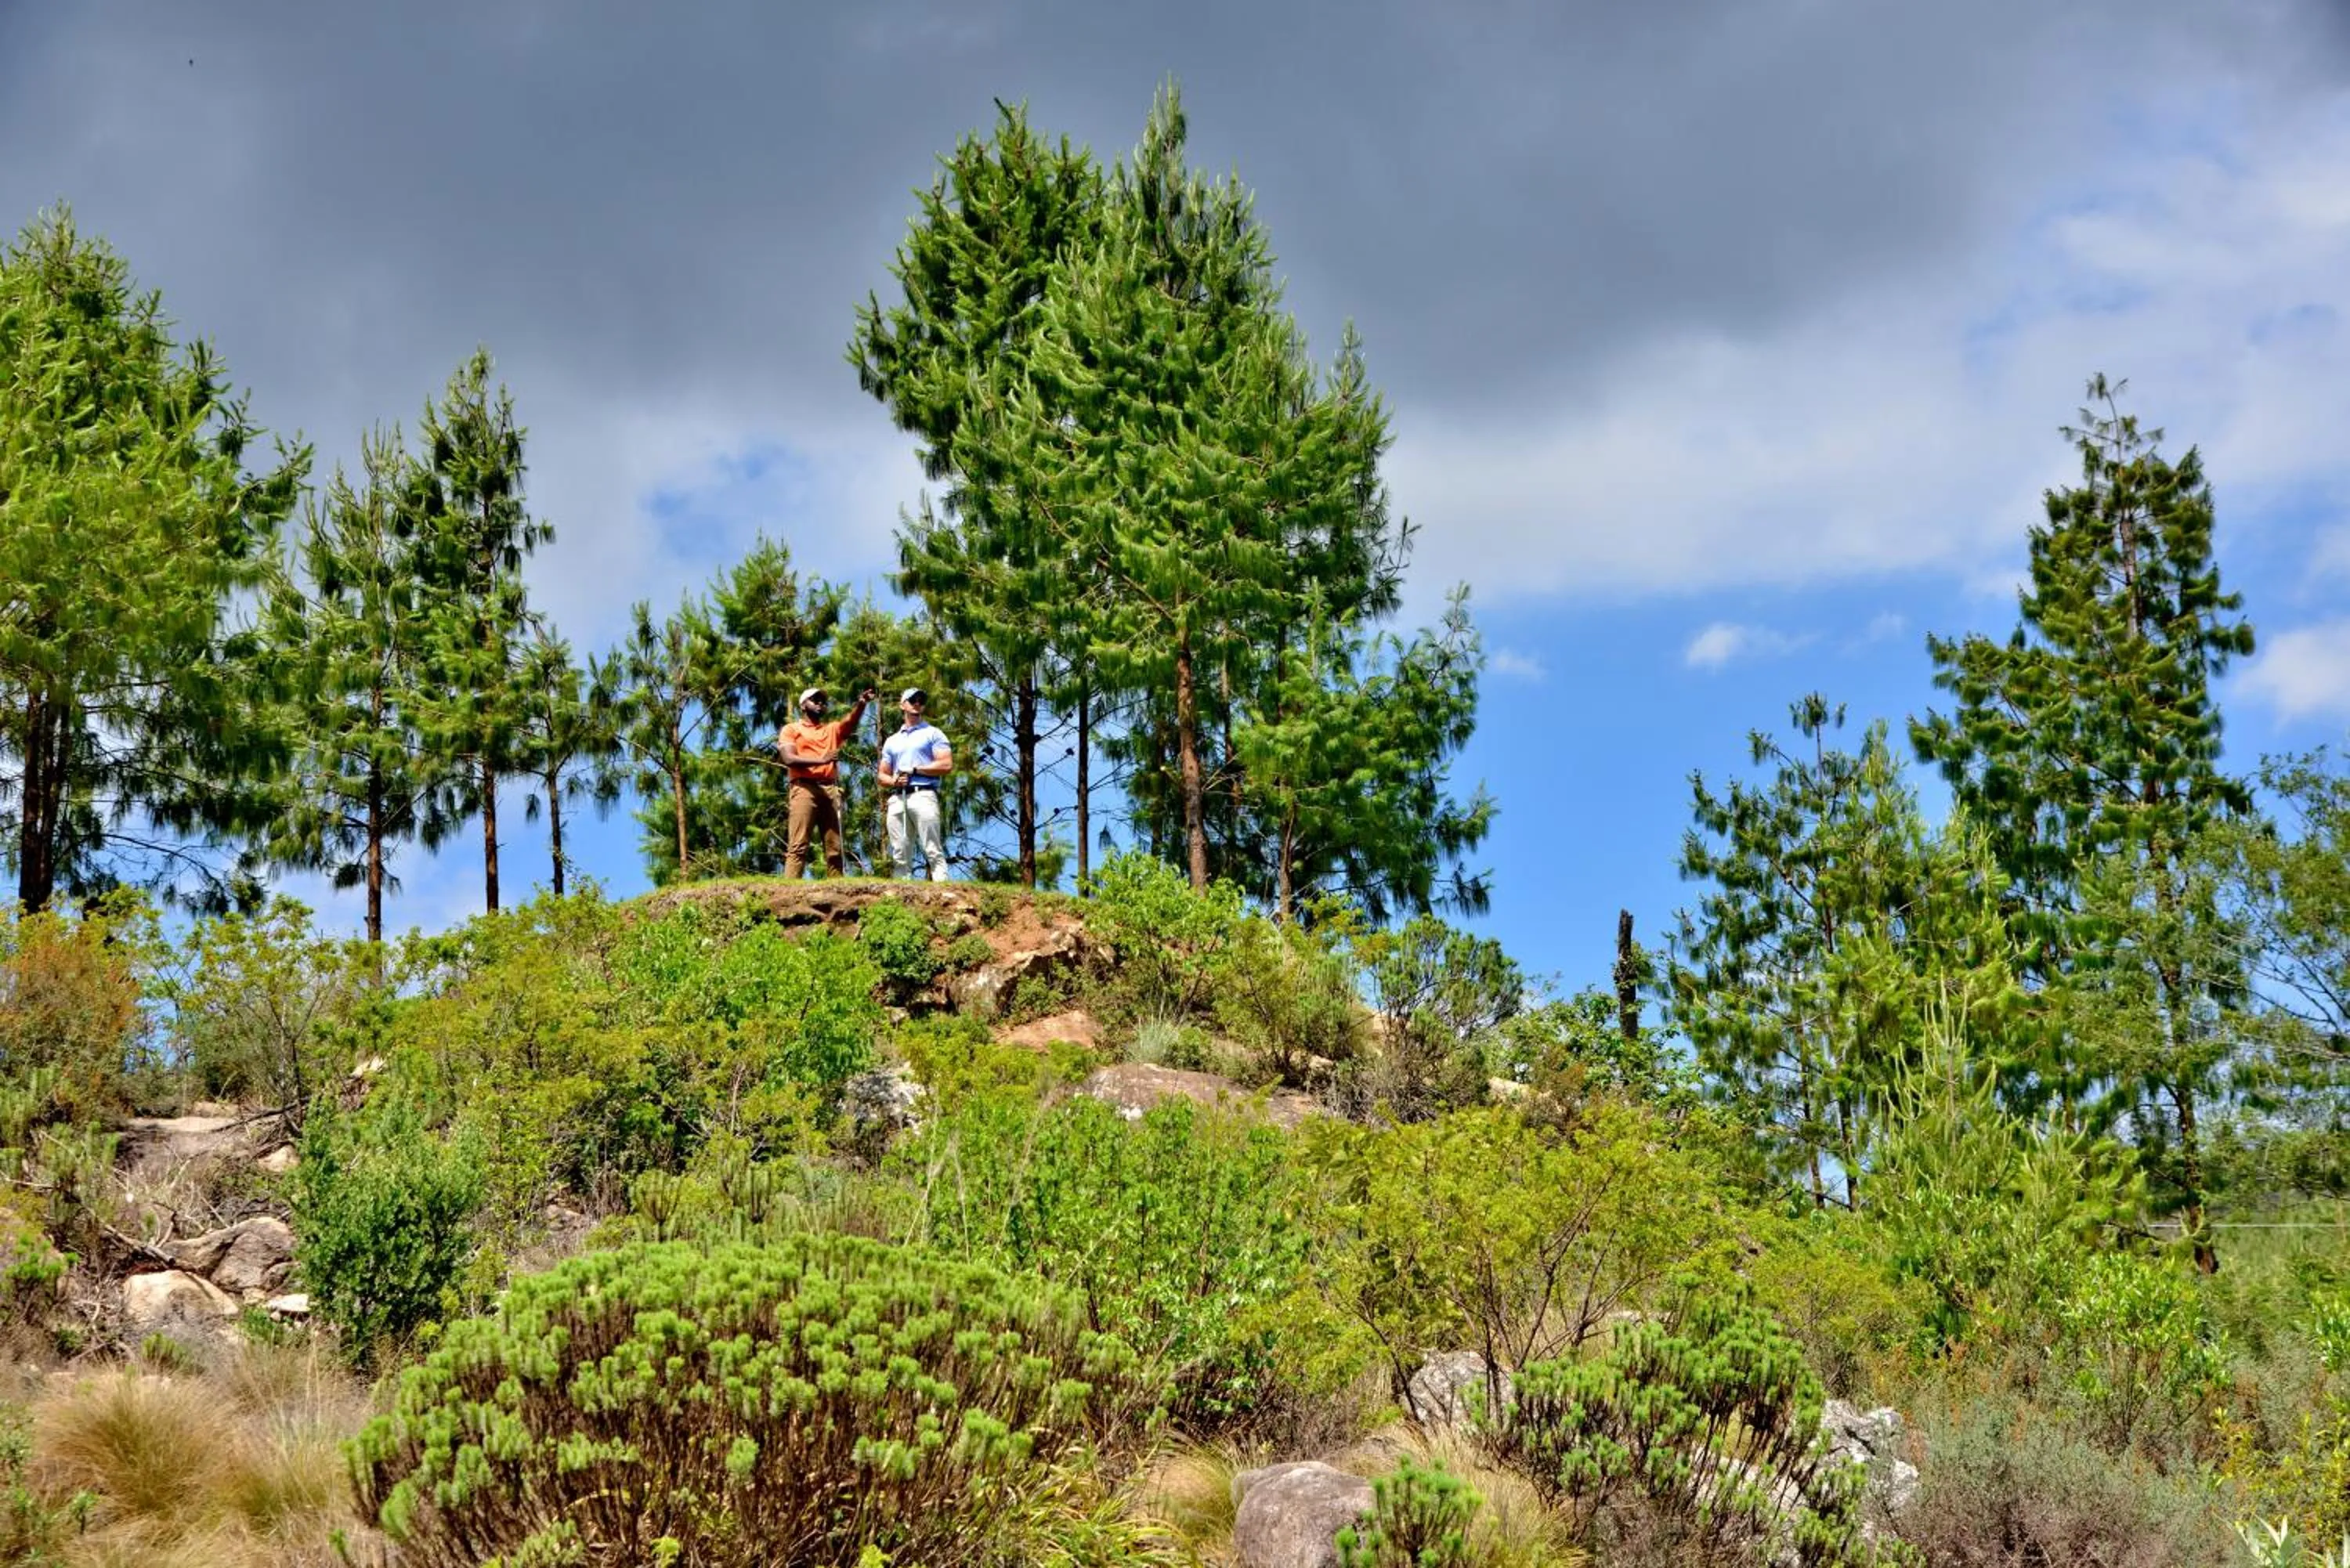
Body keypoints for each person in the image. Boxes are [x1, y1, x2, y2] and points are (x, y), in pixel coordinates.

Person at [777, 685, 873, 879]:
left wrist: (861, 704)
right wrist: (822, 759)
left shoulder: (831, 730)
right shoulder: (791, 729)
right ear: (803, 706)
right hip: (804, 787)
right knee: (798, 845)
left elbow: (850, 722)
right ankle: (790, 891)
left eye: (823, 701)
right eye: (815, 700)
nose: (820, 704)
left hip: (829, 789)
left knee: (835, 847)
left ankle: (837, 890)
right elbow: (788, 758)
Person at [877, 687, 953, 882]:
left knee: (932, 846)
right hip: (897, 797)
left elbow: (946, 764)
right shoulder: (892, 741)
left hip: (924, 794)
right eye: (912, 700)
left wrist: (916, 770)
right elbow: (882, 776)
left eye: (921, 700)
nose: (917, 703)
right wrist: (894, 780)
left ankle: (942, 887)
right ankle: (902, 892)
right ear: (902, 705)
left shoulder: (933, 733)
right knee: (900, 849)